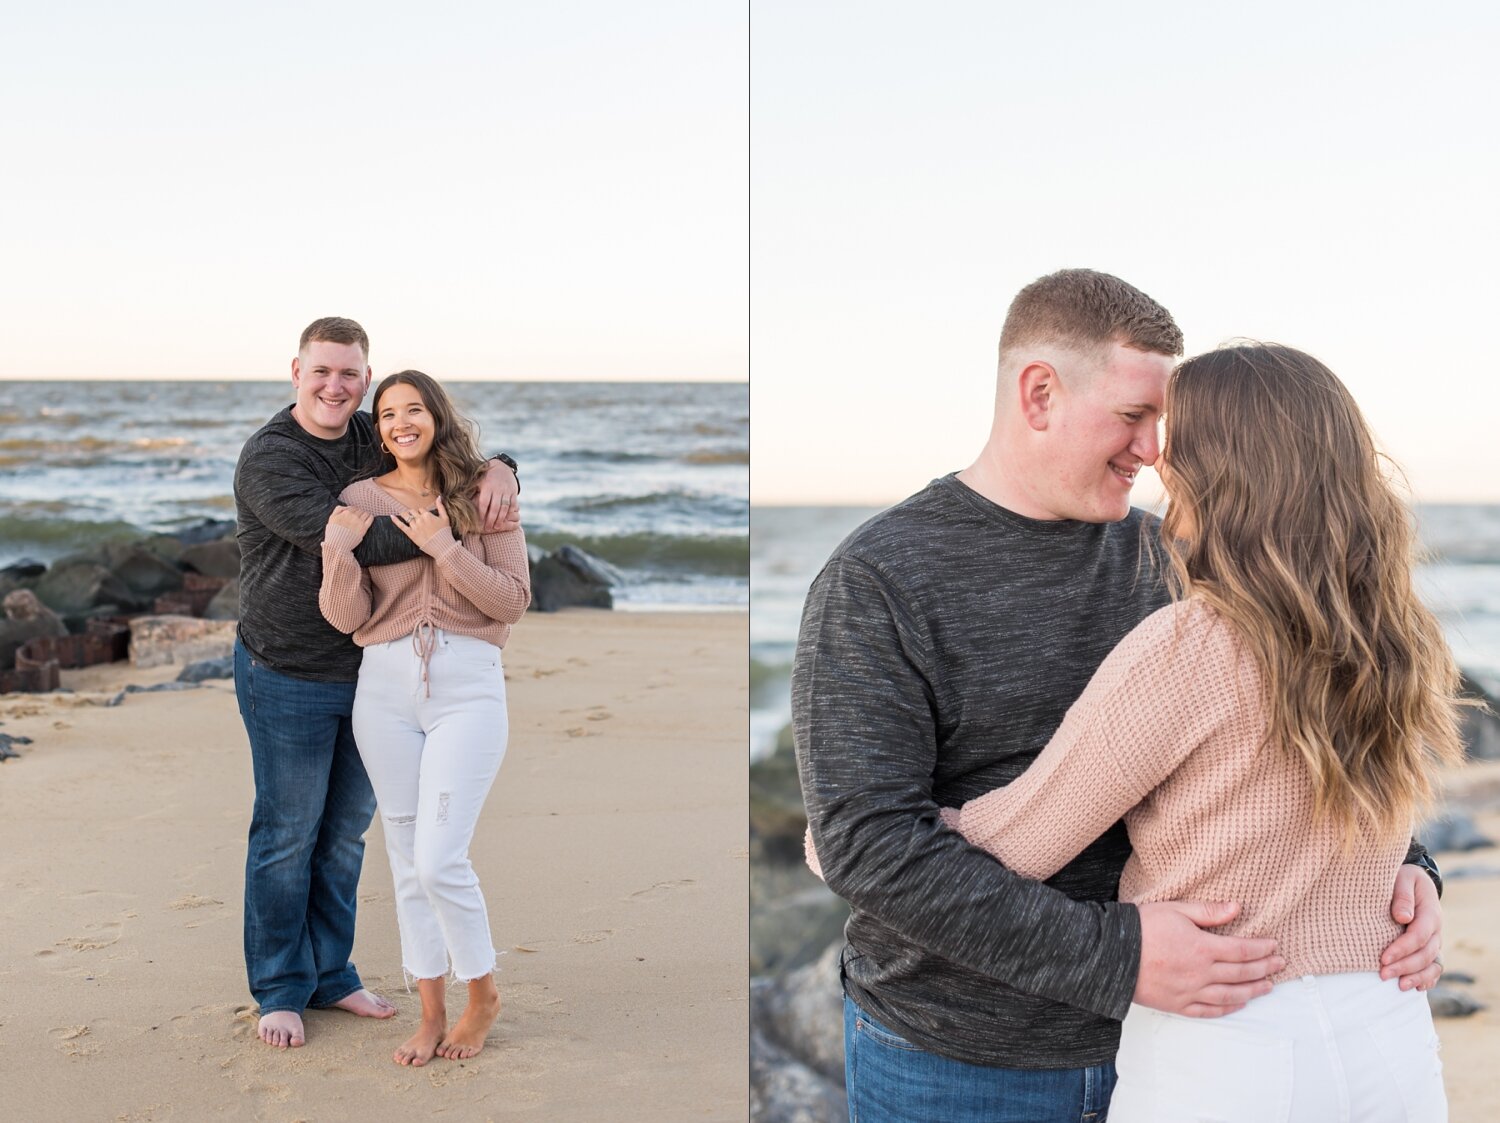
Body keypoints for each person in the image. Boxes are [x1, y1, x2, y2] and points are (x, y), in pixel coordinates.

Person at [792, 270, 1445, 1121]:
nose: (1154, 451)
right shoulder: (878, 579)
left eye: (1162, 425)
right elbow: (870, 844)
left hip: (1197, 1044)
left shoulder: (1192, 564)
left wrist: (1408, 870)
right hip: (968, 1057)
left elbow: (1297, 746)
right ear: (1039, 394)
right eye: (1134, 417)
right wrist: (1121, 957)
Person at [234, 317, 520, 1050]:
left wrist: (503, 470)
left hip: (368, 671)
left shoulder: (369, 435)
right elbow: (376, 534)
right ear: (295, 371)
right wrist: (450, 523)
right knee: (288, 832)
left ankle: (332, 973)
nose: (337, 386)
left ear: (365, 377)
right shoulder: (272, 457)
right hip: (290, 664)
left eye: (350, 374)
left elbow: (428, 442)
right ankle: (280, 988)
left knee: (346, 840)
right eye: (322, 371)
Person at [317, 370, 530, 1067]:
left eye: (413, 409)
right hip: (383, 689)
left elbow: (511, 599)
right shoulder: (358, 499)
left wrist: (444, 548)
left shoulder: (485, 492)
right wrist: (335, 553)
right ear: (377, 429)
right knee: (406, 862)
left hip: (467, 688)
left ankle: (484, 993)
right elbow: (348, 618)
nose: (400, 422)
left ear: (436, 416)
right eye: (386, 414)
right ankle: (431, 1010)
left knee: (440, 858)